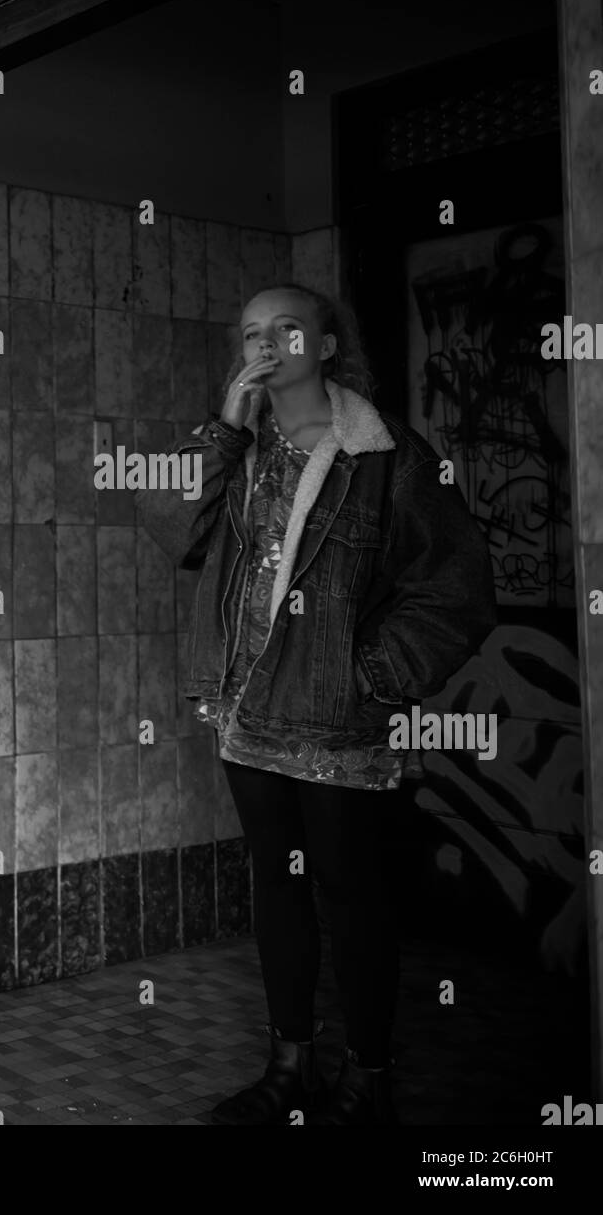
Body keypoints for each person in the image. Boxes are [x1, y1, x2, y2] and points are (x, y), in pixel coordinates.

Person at [135, 282, 497, 1126]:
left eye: (286, 328)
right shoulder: (241, 449)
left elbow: (459, 589)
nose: (266, 343)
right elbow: (170, 526)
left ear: (327, 346)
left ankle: (368, 1077)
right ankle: (289, 1065)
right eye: (251, 332)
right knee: (279, 890)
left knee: (351, 895)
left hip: (338, 722)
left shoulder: (386, 456)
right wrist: (225, 422)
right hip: (246, 718)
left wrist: (370, 670)